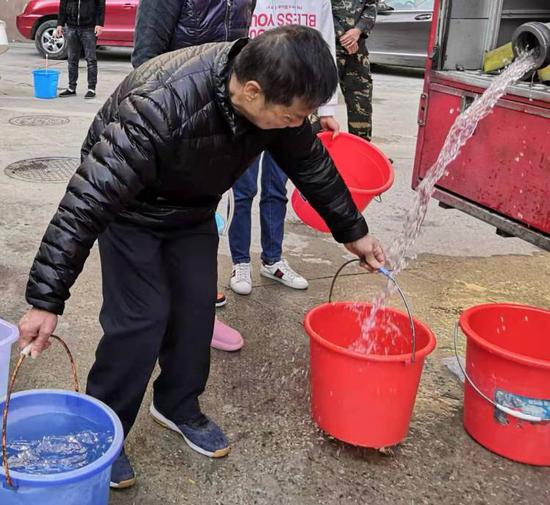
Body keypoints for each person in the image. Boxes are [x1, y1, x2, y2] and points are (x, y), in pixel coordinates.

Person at [18, 26, 385, 490]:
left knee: (195, 312)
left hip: (192, 210)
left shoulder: (276, 101)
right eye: (293, 117)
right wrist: (45, 301)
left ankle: (176, 404)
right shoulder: (158, 107)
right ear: (252, 92)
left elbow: (310, 163)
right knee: (141, 319)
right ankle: (103, 432)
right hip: (130, 211)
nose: (299, 125)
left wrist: (354, 231)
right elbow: (84, 205)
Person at [132, 0, 257, 352]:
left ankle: (196, 314)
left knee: (205, 224)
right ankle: (161, 316)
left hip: (221, 129)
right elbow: (145, 60)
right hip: (173, 123)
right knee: (161, 223)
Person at [229, 0, 340, 296]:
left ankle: (273, 259)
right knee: (243, 190)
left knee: (276, 189)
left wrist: (327, 109)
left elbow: (326, 44)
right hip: (257, 104)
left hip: (290, 106)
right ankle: (240, 261)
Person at [331, 0, 377, 140]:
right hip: (326, 49)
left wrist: (358, 30)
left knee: (361, 102)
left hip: (357, 52)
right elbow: (319, 10)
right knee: (316, 103)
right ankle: (315, 152)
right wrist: (342, 35)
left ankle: (362, 150)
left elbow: (371, 6)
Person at [55, 0, 105, 99]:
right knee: (72, 59)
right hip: (71, 27)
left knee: (91, 59)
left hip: (89, 28)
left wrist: (99, 24)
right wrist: (60, 24)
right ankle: (71, 88)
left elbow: (101, 5)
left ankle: (91, 89)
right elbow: (63, 5)